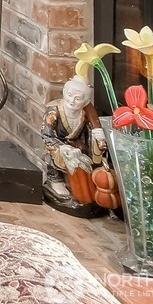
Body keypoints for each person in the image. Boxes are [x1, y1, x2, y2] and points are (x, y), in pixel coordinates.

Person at [41, 74, 109, 217]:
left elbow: (87, 133)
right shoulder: (54, 110)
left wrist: (97, 136)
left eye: (78, 99)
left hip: (77, 148)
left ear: (85, 102)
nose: (72, 101)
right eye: (69, 95)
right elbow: (46, 135)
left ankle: (82, 190)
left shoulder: (84, 114)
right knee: (62, 155)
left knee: (84, 162)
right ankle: (55, 179)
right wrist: (62, 147)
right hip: (58, 146)